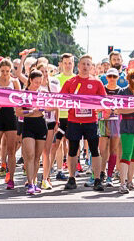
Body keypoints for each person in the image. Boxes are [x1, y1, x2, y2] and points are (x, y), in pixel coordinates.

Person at [61, 54, 106, 192]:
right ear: (78, 66)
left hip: (91, 121)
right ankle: (71, 178)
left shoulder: (97, 82)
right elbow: (61, 99)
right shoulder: (71, 82)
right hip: (74, 121)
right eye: (83, 64)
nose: (85, 67)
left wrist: (98, 108)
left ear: (91, 67)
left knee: (95, 150)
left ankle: (97, 179)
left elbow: (104, 101)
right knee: (73, 150)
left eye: (88, 64)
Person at [0, 58, 21, 190]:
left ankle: (11, 178)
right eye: (2, 71)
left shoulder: (14, 82)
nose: (5, 74)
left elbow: (19, 99)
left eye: (7, 71)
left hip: (10, 116)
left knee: (11, 150)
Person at [16, 70, 49, 195]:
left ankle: (34, 182)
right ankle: (29, 183)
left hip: (40, 124)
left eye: (40, 83)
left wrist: (44, 107)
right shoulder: (23, 94)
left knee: (37, 157)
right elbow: (18, 112)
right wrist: (29, 111)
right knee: (29, 155)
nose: (38, 85)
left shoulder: (43, 93)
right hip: (28, 124)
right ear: (30, 80)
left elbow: (52, 106)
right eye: (36, 82)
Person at [51, 53, 75, 181]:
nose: (67, 65)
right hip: (59, 117)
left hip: (72, 117)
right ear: (61, 64)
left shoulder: (77, 78)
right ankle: (56, 170)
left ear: (73, 64)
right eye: (65, 63)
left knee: (72, 145)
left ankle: (72, 172)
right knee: (56, 144)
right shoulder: (55, 79)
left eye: (70, 63)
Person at [100, 68, 122, 187]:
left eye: (114, 76)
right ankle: (100, 173)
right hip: (103, 121)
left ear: (118, 77)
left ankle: (109, 175)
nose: (112, 79)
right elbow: (96, 105)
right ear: (106, 77)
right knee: (102, 149)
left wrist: (117, 111)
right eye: (110, 76)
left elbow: (124, 106)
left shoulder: (121, 90)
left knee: (114, 149)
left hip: (116, 121)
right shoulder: (102, 88)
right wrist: (104, 111)